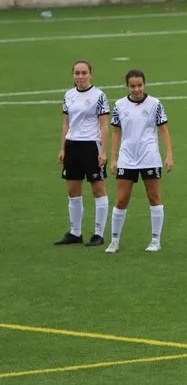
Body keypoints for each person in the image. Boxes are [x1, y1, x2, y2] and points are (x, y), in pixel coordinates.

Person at [105, 70, 174, 253]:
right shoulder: (120, 105)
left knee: (154, 197)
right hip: (127, 158)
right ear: (127, 86)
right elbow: (116, 132)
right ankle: (114, 240)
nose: (136, 89)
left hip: (149, 157)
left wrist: (168, 155)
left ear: (144, 85)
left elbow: (164, 130)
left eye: (139, 85)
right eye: (132, 86)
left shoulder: (155, 104)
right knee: (121, 199)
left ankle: (155, 240)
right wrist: (113, 158)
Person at [55, 59, 111, 247]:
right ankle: (75, 232)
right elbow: (66, 123)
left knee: (98, 189)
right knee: (72, 190)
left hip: (91, 146)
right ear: (73, 75)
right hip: (72, 146)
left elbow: (104, 125)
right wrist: (63, 147)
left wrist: (103, 151)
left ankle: (98, 234)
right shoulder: (69, 95)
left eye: (84, 73)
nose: (80, 76)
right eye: (77, 73)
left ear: (90, 74)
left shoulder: (99, 95)